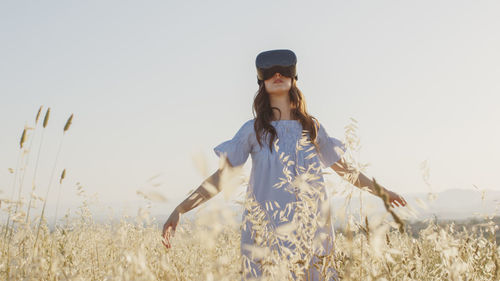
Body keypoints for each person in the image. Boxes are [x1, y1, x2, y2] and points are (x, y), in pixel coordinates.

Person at [161, 49, 407, 280]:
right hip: (266, 232)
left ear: (294, 77)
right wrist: (180, 209)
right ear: (261, 82)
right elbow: (221, 178)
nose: (277, 75)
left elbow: (346, 171)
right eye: (268, 72)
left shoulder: (312, 128)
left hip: (312, 229)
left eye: (284, 70)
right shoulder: (253, 130)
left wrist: (383, 192)